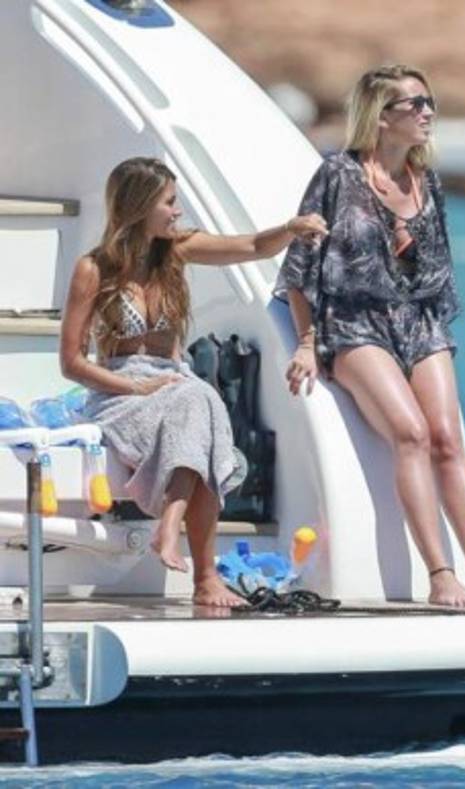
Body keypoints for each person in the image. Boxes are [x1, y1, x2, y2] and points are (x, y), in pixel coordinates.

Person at [276, 64, 465, 607]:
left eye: (430, 103)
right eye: (415, 104)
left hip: (418, 321)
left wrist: (409, 248)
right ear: (381, 116)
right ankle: (440, 575)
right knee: (411, 434)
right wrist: (307, 344)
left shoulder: (428, 183)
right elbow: (299, 269)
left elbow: (439, 274)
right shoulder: (338, 175)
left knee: (448, 439)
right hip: (353, 324)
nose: (427, 113)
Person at [60, 157, 327, 607]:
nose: (178, 211)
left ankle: (173, 524)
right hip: (118, 390)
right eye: (169, 202)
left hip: (173, 384)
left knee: (195, 397)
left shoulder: (177, 251)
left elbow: (252, 246)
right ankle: (203, 576)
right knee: (200, 401)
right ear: (140, 206)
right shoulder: (94, 269)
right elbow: (71, 362)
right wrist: (134, 388)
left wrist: (291, 228)